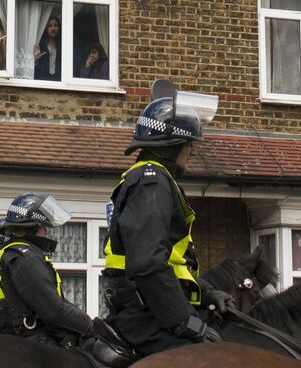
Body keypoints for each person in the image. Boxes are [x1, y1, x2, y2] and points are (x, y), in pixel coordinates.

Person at [101, 80, 230, 358]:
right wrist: (186, 323)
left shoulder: (155, 180)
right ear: (173, 144)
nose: (192, 151)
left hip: (152, 309)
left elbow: (173, 261)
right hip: (146, 315)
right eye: (189, 144)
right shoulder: (152, 182)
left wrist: (208, 293)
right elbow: (148, 265)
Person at [0, 193, 100, 347]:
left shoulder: (8, 254)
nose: (46, 232)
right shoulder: (24, 257)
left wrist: (86, 319)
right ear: (31, 227)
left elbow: (59, 302)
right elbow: (54, 311)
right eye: (43, 228)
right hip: (24, 337)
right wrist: (93, 328)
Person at [34, 15, 62, 81]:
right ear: (45, 28)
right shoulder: (40, 44)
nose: (53, 28)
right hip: (42, 80)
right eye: (50, 26)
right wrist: (36, 59)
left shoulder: (63, 45)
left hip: (58, 80)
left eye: (56, 26)